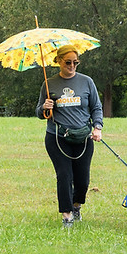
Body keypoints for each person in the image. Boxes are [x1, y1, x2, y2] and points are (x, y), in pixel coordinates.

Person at [36, 45, 103, 228]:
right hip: (57, 138)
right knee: (64, 175)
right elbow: (39, 113)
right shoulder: (48, 84)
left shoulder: (87, 82)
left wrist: (97, 127)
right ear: (58, 61)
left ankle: (76, 206)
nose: (72, 65)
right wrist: (45, 108)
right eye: (68, 62)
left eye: (76, 62)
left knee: (82, 179)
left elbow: (96, 107)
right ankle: (67, 216)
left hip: (83, 137)